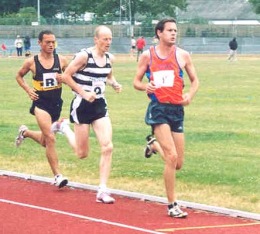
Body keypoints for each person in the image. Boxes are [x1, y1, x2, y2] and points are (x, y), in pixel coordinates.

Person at [133, 18, 199, 218]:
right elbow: (136, 81)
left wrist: (189, 96)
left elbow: (195, 80)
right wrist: (146, 86)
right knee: (171, 157)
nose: (173, 33)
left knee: (178, 163)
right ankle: (172, 205)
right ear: (159, 33)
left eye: (175, 30)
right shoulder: (148, 56)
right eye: (169, 30)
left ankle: (153, 145)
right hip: (158, 109)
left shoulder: (183, 55)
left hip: (177, 109)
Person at [54, 25, 122, 204]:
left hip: (99, 105)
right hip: (82, 105)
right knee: (82, 153)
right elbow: (66, 76)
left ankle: (102, 190)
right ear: (96, 39)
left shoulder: (109, 58)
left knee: (107, 147)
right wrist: (84, 93)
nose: (108, 42)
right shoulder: (84, 56)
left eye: (110, 39)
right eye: (105, 39)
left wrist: (114, 83)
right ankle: (64, 128)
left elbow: (108, 74)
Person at [15, 30, 69, 188]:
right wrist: (28, 89)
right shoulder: (31, 62)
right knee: (51, 139)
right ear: (39, 43)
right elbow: (19, 75)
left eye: (53, 42)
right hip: (40, 104)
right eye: (47, 42)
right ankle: (58, 176)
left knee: (46, 140)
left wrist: (63, 78)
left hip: (56, 104)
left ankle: (25, 132)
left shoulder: (62, 61)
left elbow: (71, 77)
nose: (51, 45)